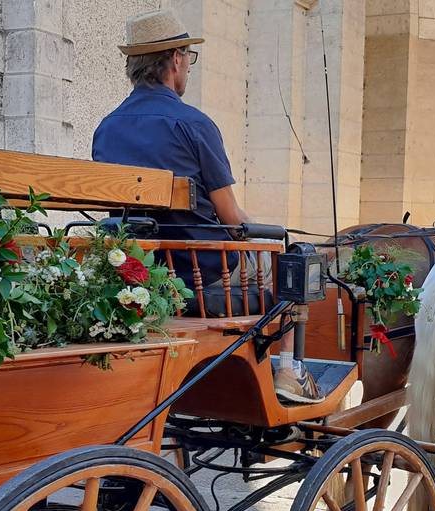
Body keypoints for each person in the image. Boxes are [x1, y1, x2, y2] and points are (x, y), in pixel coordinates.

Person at [93, 8, 321, 403]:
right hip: (202, 280)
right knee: (292, 261)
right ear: (177, 59)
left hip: (138, 276)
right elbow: (233, 219)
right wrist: (269, 233)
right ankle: (288, 371)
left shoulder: (107, 127)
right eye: (188, 58)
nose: (188, 67)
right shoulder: (193, 124)